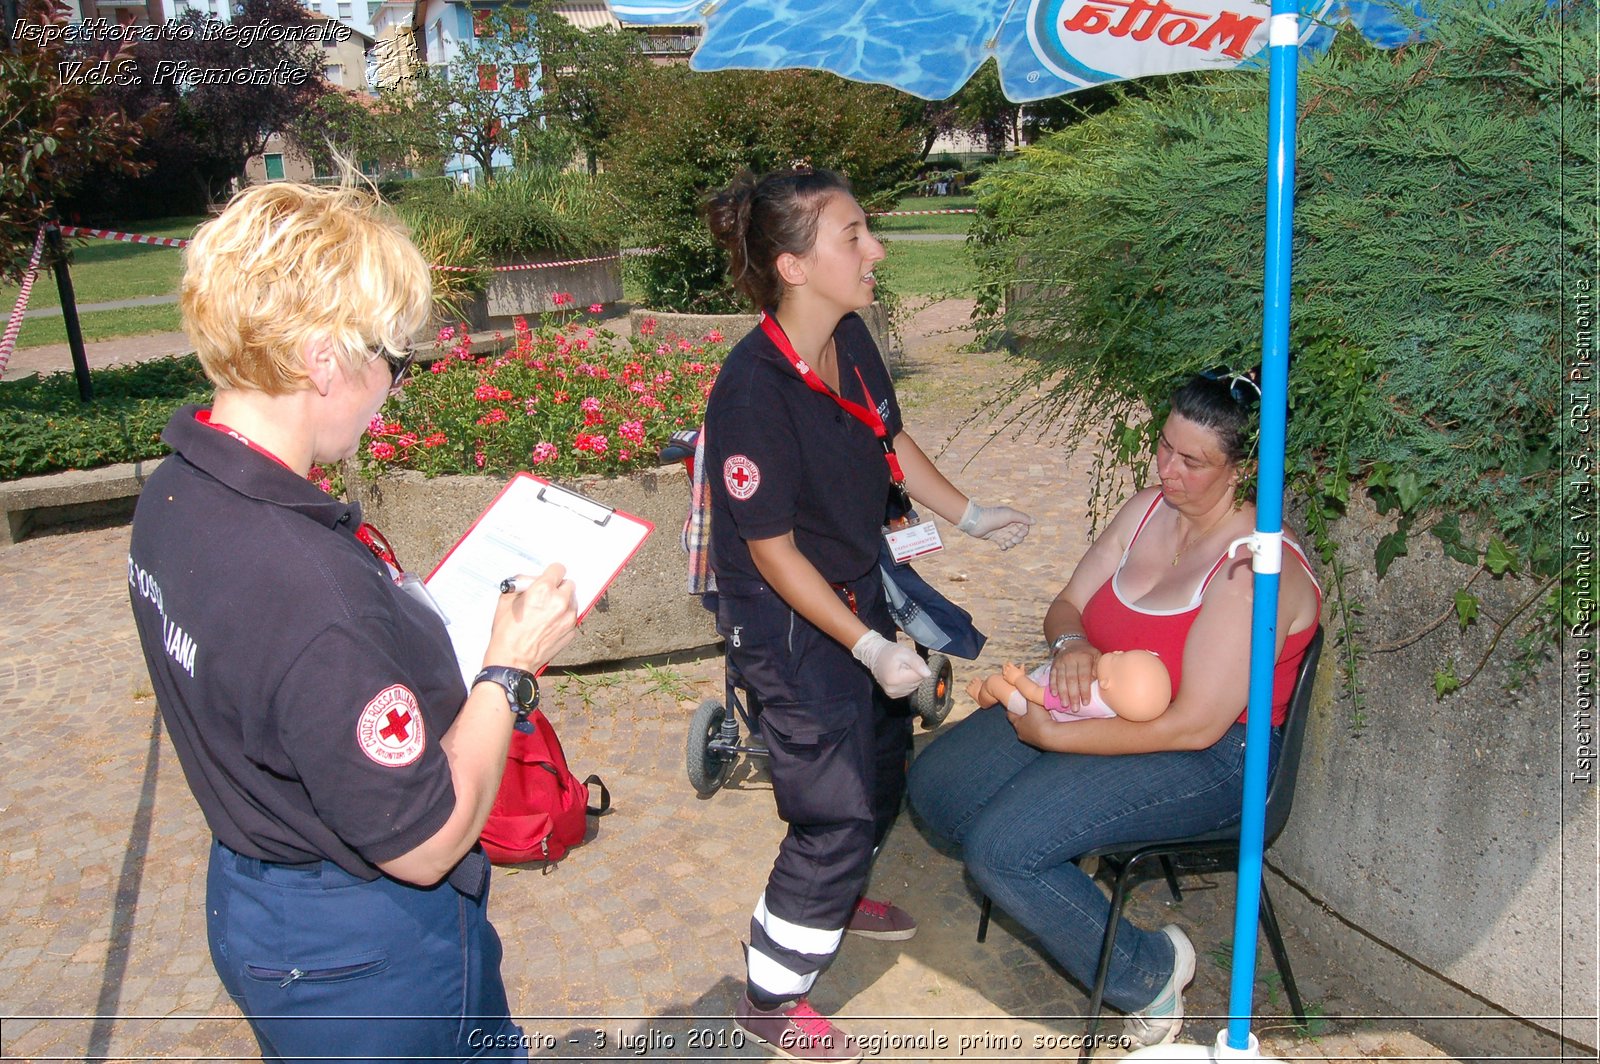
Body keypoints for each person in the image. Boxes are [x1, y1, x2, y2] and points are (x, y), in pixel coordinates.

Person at [126, 179, 579, 1061]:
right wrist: (509, 668)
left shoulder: (176, 491)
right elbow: (426, 843)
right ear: (325, 359)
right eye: (392, 360)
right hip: (368, 952)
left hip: (260, 902)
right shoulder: (305, 587)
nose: (393, 388)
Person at [701, 167, 1033, 1064]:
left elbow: (889, 437)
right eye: (854, 236)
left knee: (884, 759)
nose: (876, 249)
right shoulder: (751, 392)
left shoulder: (851, 336)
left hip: (859, 591)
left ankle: (839, 901)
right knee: (835, 811)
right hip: (788, 622)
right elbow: (772, 553)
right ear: (794, 266)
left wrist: (967, 514)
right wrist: (867, 646)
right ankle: (770, 997)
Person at [908, 371, 1322, 1048]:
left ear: (1243, 472)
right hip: (1097, 697)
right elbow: (1066, 605)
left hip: (1218, 758)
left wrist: (1056, 740)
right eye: (1164, 446)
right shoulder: (1146, 509)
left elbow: (1193, 725)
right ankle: (1067, 848)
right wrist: (1071, 644)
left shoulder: (1252, 572)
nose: (1167, 468)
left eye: (1192, 462)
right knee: (937, 789)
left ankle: (1152, 972)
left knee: (1004, 851)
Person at [967, 649, 1171, 722]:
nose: (1117, 651)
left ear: (1107, 684)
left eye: (1119, 658)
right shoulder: (1112, 697)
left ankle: (983, 697)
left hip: (1035, 706)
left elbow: (1036, 695)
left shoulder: (1079, 698)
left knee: (995, 682)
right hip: (1045, 689)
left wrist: (1017, 679)